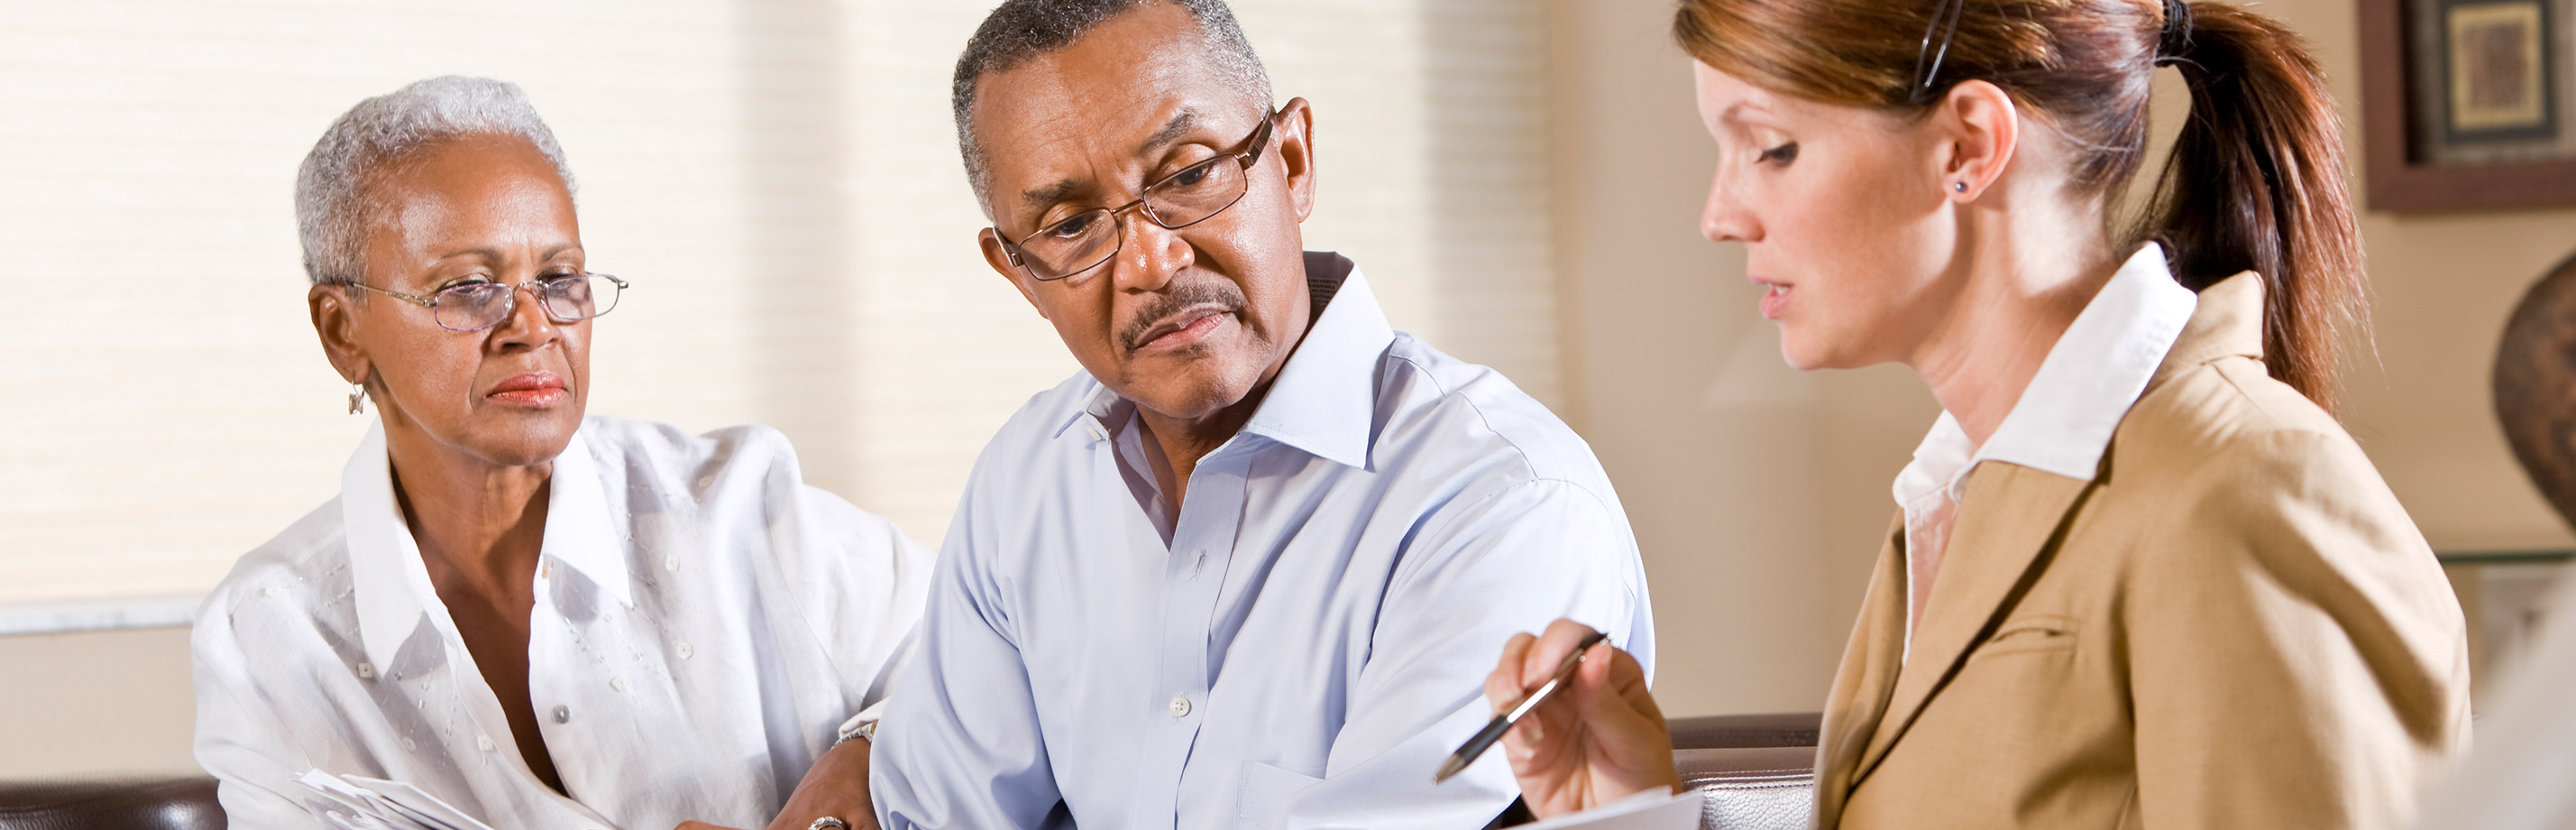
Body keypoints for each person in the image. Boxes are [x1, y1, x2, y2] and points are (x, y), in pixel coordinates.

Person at [1488, 0, 2471, 827]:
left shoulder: (2242, 496)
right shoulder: (1957, 497)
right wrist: (1629, 805)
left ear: (1968, 145)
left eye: (1772, 149)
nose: (1721, 212)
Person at [866, 1, 1655, 827]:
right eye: (1068, 226)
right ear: (1020, 274)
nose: (1150, 260)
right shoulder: (1027, 478)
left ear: (1293, 158)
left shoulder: (1500, 503)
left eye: (1187, 174)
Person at [190, 76, 931, 830]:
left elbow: (995, 661)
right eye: (469, 286)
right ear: (343, 332)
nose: (533, 326)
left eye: (558, 278)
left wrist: (867, 753)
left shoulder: (744, 510)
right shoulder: (270, 636)